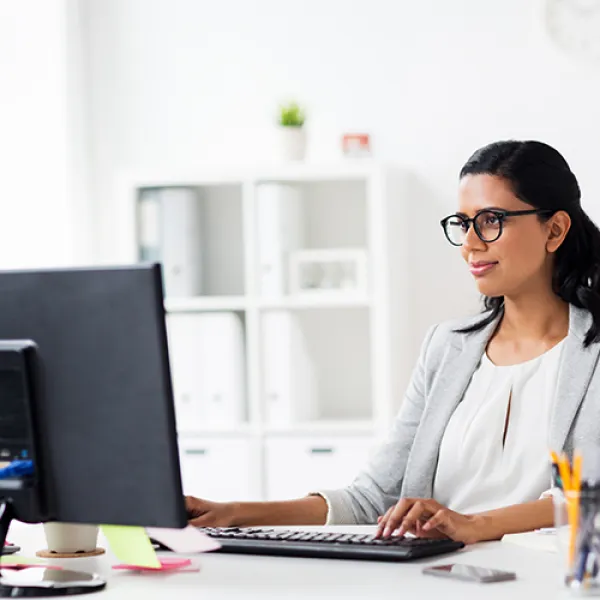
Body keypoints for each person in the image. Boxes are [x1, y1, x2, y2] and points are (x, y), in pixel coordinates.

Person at [186, 140, 600, 544]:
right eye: (462, 223)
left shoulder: (592, 352)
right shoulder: (446, 348)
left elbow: (588, 499)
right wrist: (233, 513)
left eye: (491, 220)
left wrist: (476, 524)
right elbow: (372, 499)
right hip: (436, 581)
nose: (470, 244)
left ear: (555, 229)